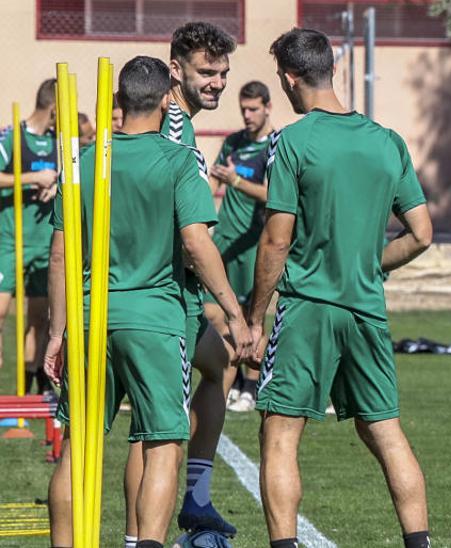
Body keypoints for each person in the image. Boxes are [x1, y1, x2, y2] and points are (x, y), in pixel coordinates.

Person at [43, 55, 251, 548]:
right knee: (162, 444)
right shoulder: (178, 159)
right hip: (154, 320)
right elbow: (197, 243)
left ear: (118, 102)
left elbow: (59, 255)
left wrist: (57, 332)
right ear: (164, 101)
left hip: (90, 317)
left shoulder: (84, 158)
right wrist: (235, 313)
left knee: (78, 448)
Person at [248, 28, 434, 548]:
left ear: (288, 78)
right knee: (385, 431)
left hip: (308, 307)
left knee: (280, 435)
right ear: (332, 70)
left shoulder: (292, 140)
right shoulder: (387, 140)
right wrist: (367, 267)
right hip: (367, 309)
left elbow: (276, 239)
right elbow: (421, 234)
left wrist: (254, 315)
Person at [149, 20, 241, 538]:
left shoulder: (182, 124)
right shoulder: (172, 127)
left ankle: (198, 499)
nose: (217, 83)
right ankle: (143, 534)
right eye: (207, 72)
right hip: (164, 295)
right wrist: (227, 304)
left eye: (223, 73)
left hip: (179, 292)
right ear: (175, 69)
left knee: (221, 362)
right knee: (157, 435)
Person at [201, 80, 276, 415]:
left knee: (250, 317)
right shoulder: (233, 142)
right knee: (215, 312)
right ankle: (226, 379)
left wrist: (238, 182)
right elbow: (214, 179)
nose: (247, 115)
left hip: (252, 243)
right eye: (243, 109)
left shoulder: (274, 146)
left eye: (253, 109)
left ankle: (250, 385)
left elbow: (274, 196)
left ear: (267, 107)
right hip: (224, 241)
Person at [0, 79, 60, 398]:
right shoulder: (12, 137)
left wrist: (54, 185)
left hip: (44, 242)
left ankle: (30, 385)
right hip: (10, 239)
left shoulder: (59, 142)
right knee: (0, 312)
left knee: (39, 317)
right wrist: (32, 177)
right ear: (52, 109)